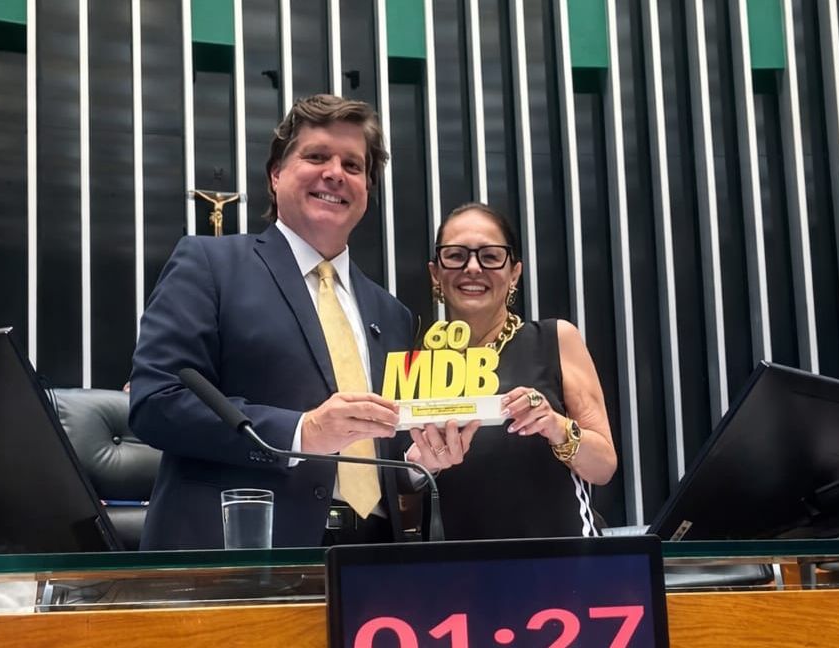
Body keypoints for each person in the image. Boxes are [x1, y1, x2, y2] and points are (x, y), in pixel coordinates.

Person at [130, 94, 416, 549]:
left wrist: (423, 459)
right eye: (316, 157)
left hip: (372, 559)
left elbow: (387, 453)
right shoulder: (209, 264)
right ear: (276, 174)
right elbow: (156, 401)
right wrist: (302, 433)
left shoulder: (393, 315)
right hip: (239, 555)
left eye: (353, 165)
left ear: (367, 190)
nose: (335, 173)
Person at [407, 202, 618, 539]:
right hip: (458, 565)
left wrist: (556, 426)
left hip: (566, 559)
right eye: (456, 256)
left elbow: (603, 466)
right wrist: (422, 465)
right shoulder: (414, 362)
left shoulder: (555, 339)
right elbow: (397, 497)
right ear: (436, 273)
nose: (472, 268)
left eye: (490, 256)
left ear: (514, 273)